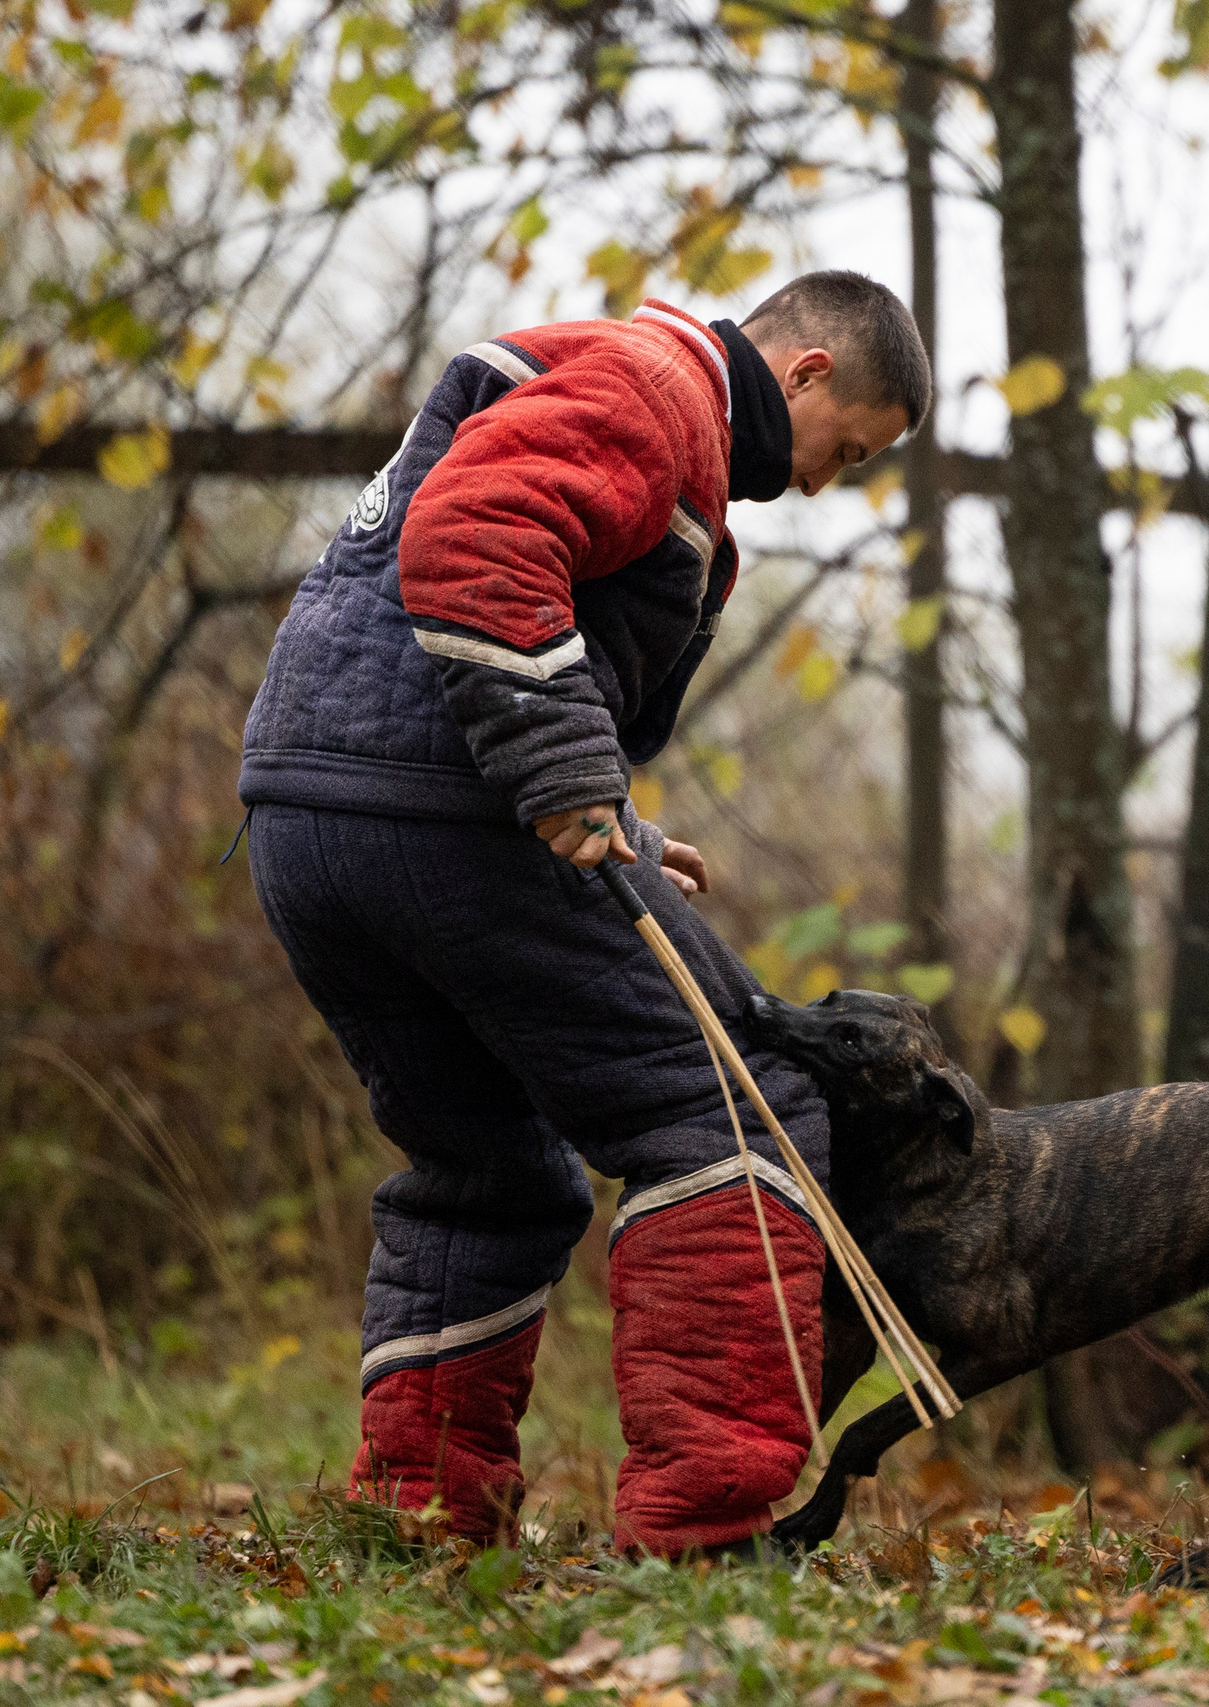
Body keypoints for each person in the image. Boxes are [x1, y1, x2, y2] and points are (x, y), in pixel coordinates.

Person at [235, 272, 928, 1554]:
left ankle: (423, 1514)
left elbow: (462, 625)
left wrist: (618, 826)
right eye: (846, 451)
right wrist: (560, 781)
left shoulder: (602, 376)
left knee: (488, 1166)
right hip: (436, 816)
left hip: (311, 816)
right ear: (810, 373)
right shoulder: (661, 384)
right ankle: (701, 1530)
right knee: (742, 1105)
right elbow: (477, 541)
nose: (824, 482)